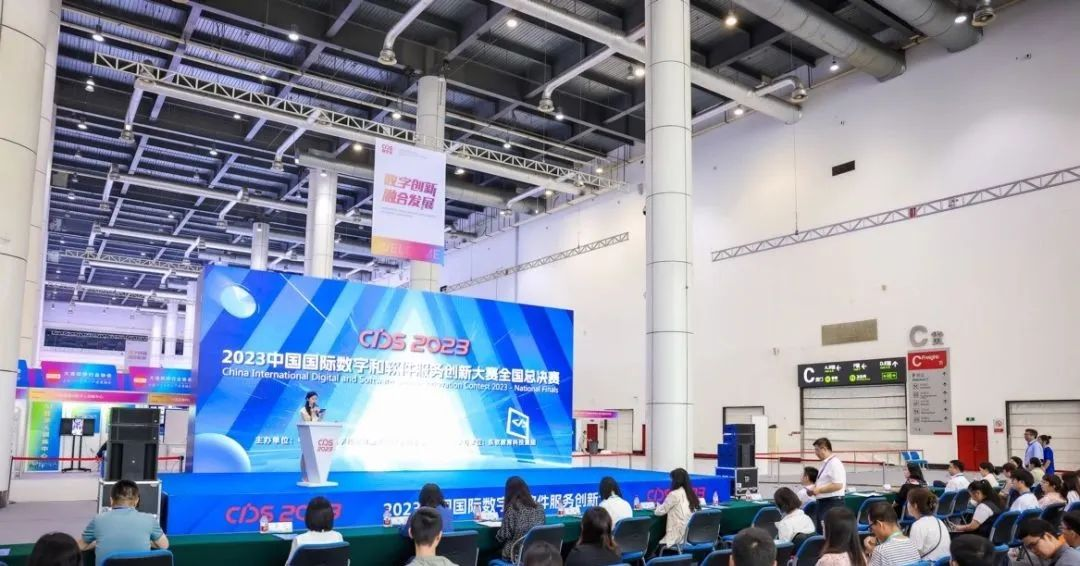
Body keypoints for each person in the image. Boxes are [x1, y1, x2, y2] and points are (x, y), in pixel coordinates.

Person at [79, 480, 168, 566]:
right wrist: (147, 541)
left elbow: (80, 546)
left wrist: (97, 543)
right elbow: (164, 545)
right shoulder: (149, 519)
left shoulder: (98, 520)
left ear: (111, 500)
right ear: (137, 501)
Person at [496, 476, 547, 561]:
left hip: (514, 556)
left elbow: (503, 536)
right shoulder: (539, 507)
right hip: (535, 554)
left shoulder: (513, 508)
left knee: (488, 556)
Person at [286, 496, 343, 565]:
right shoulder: (337, 536)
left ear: (308, 516)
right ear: (331, 516)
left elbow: (289, 564)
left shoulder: (300, 540)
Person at [654, 468, 701, 551]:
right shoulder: (691, 494)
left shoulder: (674, 494)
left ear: (676, 481)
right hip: (690, 536)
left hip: (678, 537)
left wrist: (657, 506)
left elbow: (659, 512)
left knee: (654, 544)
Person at [806, 438, 847, 533]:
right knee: (822, 532)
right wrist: (814, 489)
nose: (815, 453)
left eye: (817, 450)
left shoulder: (834, 463)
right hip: (824, 503)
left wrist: (819, 490)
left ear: (824, 449)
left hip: (831, 503)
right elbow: (825, 482)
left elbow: (838, 485)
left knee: (829, 533)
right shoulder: (826, 464)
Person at [863, 502, 920, 566]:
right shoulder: (912, 544)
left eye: (871, 527)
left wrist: (870, 553)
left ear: (879, 524)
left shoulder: (881, 551)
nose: (872, 531)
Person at [905, 488, 951, 561]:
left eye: (908, 502)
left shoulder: (918, 525)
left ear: (915, 505)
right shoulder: (939, 521)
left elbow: (913, 555)